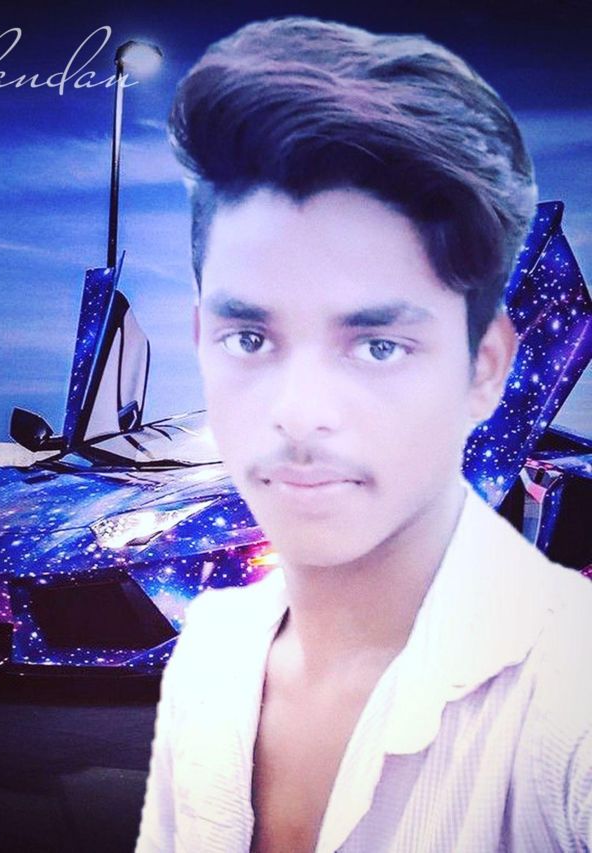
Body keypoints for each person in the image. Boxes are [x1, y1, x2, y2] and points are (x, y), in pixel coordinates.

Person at [136, 16, 592, 853]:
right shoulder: (211, 655)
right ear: (201, 339)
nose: (299, 411)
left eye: (378, 344)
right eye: (251, 337)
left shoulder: (570, 690)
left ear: (486, 367)